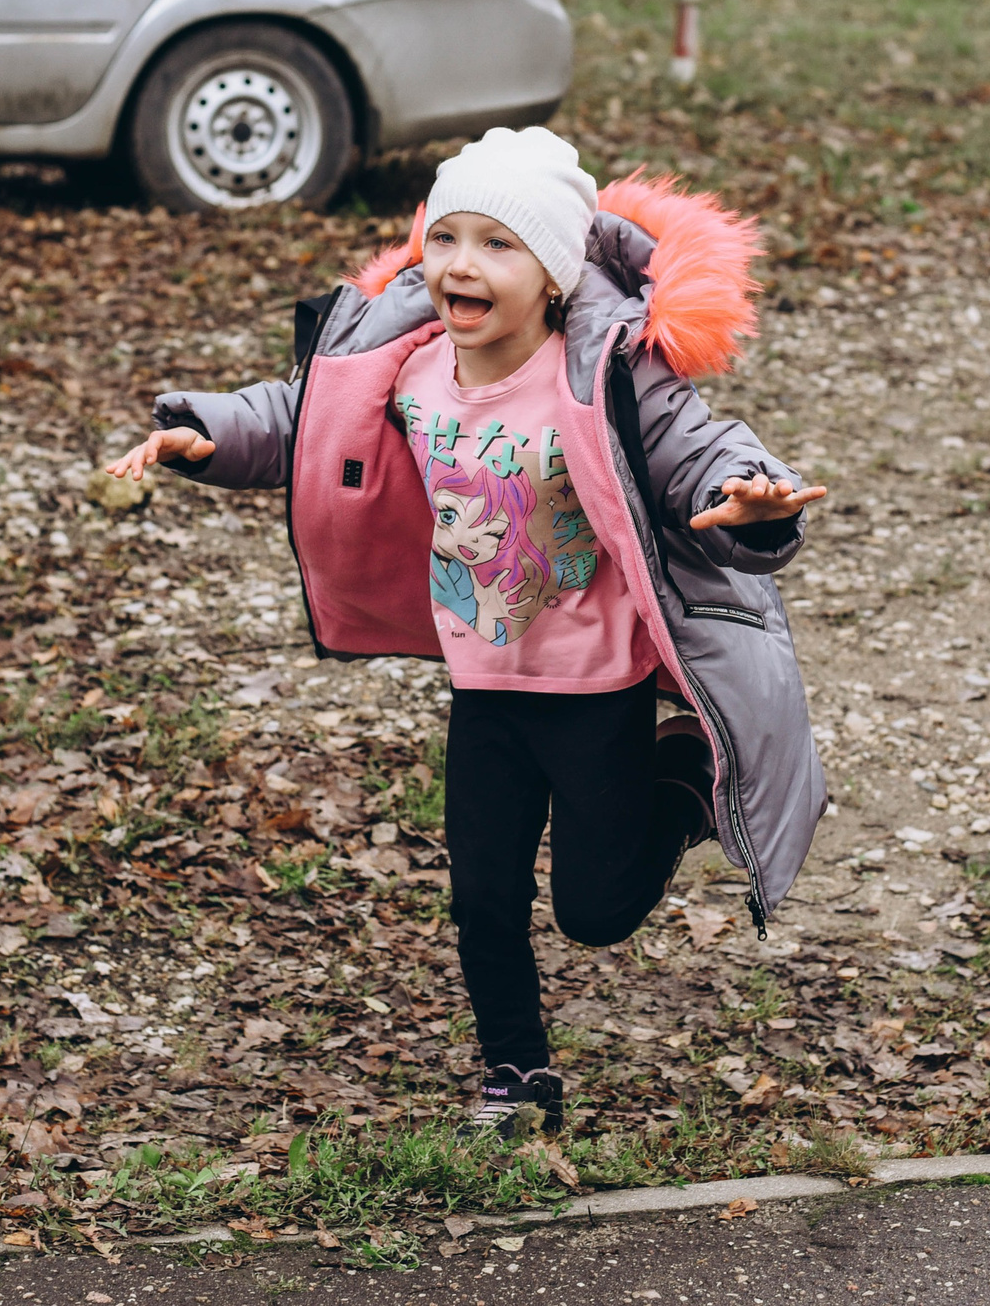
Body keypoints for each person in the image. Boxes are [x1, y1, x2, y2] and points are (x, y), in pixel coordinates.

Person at [106, 126, 829, 1137]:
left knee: (594, 910)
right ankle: (516, 1075)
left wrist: (748, 494)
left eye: (498, 243)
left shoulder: (605, 374)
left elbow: (699, 449)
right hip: (484, 682)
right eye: (444, 237)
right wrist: (210, 433)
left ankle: (676, 787)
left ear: (554, 274)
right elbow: (298, 415)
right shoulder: (404, 367)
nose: (459, 263)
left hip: (595, 687)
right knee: (483, 893)